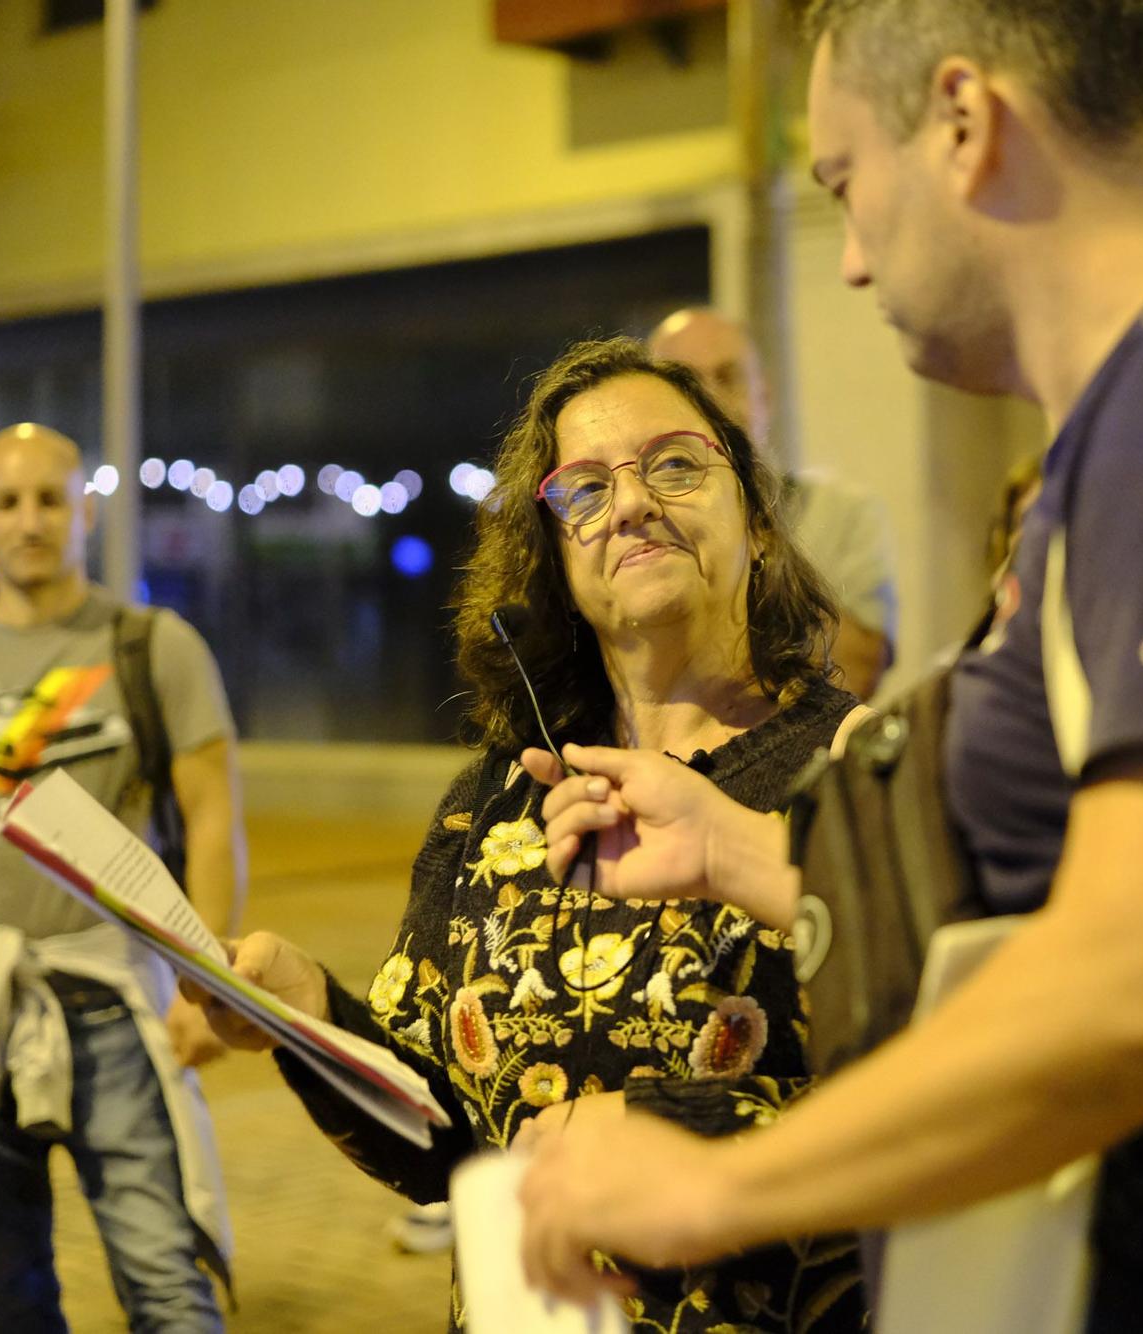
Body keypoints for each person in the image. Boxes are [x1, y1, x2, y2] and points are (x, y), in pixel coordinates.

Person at [515, 2, 1143, 1329]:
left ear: (969, 125)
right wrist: (747, 851)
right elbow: (1093, 881)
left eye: (848, 185)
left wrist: (717, 1188)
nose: (856, 261)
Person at [187, 338, 869, 1334]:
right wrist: (312, 1014)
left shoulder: (857, 767)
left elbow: (950, 1091)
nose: (629, 503)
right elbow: (450, 1143)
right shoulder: (494, 800)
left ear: (758, 519)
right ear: (554, 557)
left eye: (674, 463)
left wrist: (668, 1126)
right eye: (582, 489)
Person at [0, 424, 242, 1333]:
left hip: (118, 996)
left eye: (49, 498)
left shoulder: (154, 645)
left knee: (164, 1275)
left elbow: (212, 821)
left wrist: (209, 988)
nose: (29, 520)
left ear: (87, 508)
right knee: (10, 1290)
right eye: (6, 501)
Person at [650, 307, 898, 697]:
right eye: (687, 385)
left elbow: (856, 673)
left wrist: (748, 521)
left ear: (763, 396)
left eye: (727, 378)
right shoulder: (639, 526)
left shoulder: (842, 512)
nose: (710, 401)